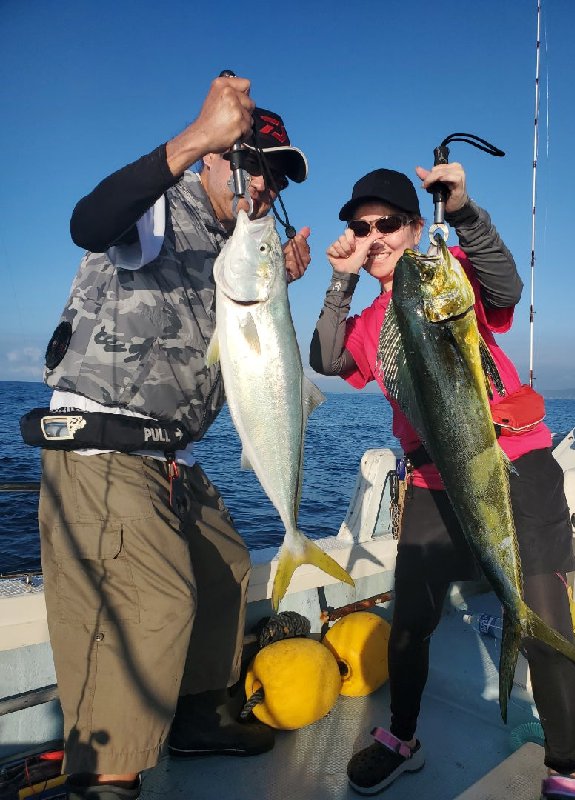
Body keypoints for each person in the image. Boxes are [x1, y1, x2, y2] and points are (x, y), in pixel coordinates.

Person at [36, 75, 311, 800]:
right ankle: (107, 778)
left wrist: (276, 279)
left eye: (277, 177)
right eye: (250, 162)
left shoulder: (235, 246)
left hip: (172, 457)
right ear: (215, 158)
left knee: (226, 567)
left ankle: (197, 716)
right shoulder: (159, 209)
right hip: (103, 445)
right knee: (155, 603)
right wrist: (192, 139)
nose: (263, 184)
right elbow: (88, 221)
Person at [309, 165, 575, 800]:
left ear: (415, 228)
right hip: (435, 479)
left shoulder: (450, 275)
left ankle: (565, 770)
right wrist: (340, 278)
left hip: (514, 462)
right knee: (411, 620)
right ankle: (402, 739)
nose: (374, 237)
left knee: (544, 618)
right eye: (362, 228)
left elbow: (505, 283)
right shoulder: (368, 322)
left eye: (387, 224)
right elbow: (325, 358)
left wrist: (462, 210)